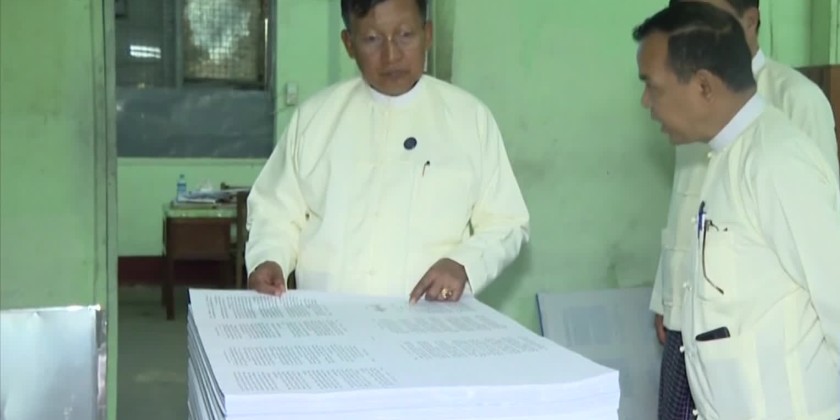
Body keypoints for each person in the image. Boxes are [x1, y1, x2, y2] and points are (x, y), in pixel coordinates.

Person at [244, 0, 529, 304]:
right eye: (372, 39)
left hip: (428, 320)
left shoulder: (469, 119)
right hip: (327, 317)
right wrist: (268, 257)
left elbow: (507, 221)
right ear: (349, 44)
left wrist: (464, 264)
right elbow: (275, 210)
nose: (391, 55)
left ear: (428, 34)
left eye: (405, 35)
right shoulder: (315, 118)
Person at [633, 3, 840, 419]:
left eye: (653, 86)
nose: (645, 102)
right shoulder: (725, 157)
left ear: (703, 86)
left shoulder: (776, 161)